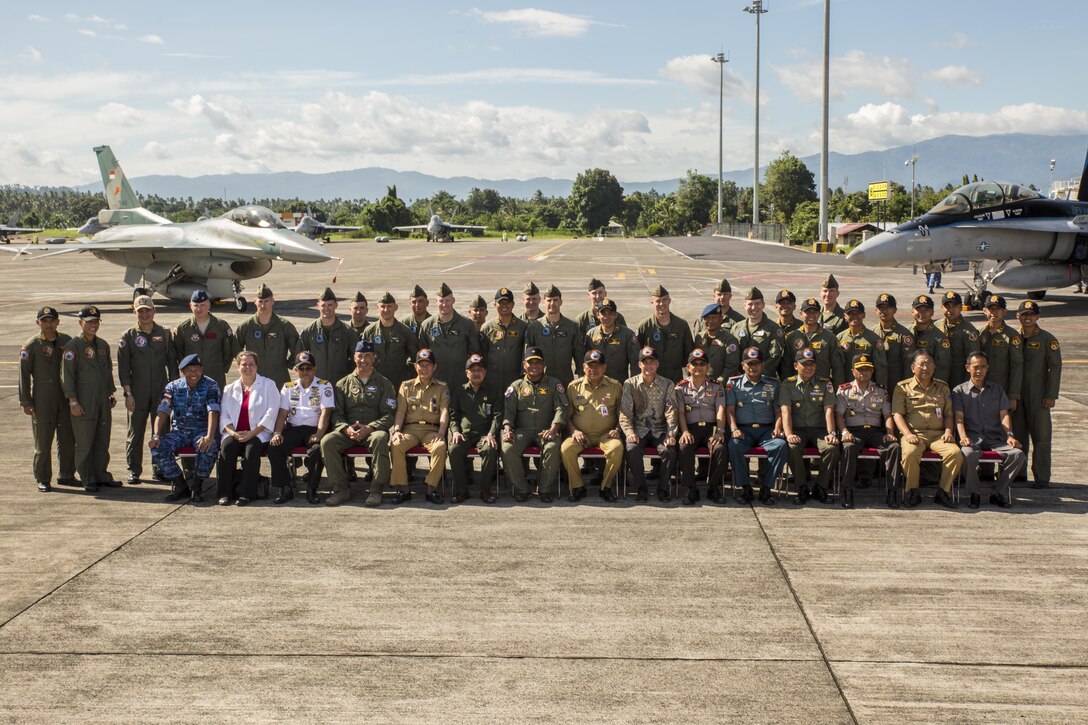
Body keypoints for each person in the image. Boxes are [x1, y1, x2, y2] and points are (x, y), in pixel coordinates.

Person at [319, 339, 397, 506]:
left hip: (373, 429)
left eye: (367, 356)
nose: (363, 360)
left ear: (374, 357)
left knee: (380, 439)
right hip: (349, 431)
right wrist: (345, 429)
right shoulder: (342, 384)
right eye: (360, 356)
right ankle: (341, 490)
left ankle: (376, 490)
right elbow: (337, 414)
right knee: (327, 441)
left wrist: (370, 427)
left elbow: (389, 415)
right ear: (354, 357)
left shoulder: (385, 384)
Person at [953, 351, 1026, 509]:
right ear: (967, 368)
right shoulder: (959, 391)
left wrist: (1010, 436)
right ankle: (974, 493)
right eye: (975, 367)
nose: (979, 370)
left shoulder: (997, 390)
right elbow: (958, 418)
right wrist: (963, 437)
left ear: (988, 368)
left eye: (983, 367)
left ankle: (998, 492)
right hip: (973, 439)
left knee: (1018, 455)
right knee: (967, 454)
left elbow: (1004, 415)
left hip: (995, 439)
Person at [891, 349, 963, 509]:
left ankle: (943, 492)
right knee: (910, 453)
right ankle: (912, 491)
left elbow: (949, 415)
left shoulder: (942, 387)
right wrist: (907, 434)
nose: (926, 368)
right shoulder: (902, 387)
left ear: (935, 367)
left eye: (930, 364)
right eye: (922, 364)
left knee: (955, 453)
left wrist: (949, 432)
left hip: (938, 435)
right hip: (914, 434)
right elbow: (897, 414)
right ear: (912, 367)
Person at [117, 295, 176, 485]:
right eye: (140, 310)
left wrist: (173, 392)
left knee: (161, 432)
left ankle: (160, 468)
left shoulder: (165, 335)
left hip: (161, 392)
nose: (144, 314)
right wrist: (128, 394)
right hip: (138, 393)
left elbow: (172, 365)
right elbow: (124, 368)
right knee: (135, 432)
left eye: (147, 310)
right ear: (134, 312)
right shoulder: (128, 337)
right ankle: (134, 470)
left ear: (154, 311)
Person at [62, 305, 120, 493]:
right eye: (89, 322)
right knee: (85, 442)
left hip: (102, 399)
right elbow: (67, 376)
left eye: (95, 322)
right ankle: (87, 477)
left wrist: (110, 393)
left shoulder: (102, 345)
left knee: (102, 440)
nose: (92, 325)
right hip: (84, 401)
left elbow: (107, 371)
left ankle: (101, 474)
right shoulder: (73, 347)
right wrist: (73, 401)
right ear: (81, 323)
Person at [149, 354, 220, 503]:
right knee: (158, 448)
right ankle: (180, 484)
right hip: (180, 431)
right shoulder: (173, 387)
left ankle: (197, 485)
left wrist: (209, 436)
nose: (193, 374)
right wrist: (156, 435)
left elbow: (213, 410)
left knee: (209, 446)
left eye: (197, 370)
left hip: (202, 430)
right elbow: (162, 411)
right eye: (189, 370)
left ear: (202, 369)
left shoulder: (211, 385)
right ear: (182, 371)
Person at [20, 306, 77, 492]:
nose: (48, 324)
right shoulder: (32, 345)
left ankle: (67, 474)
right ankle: (43, 477)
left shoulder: (67, 341)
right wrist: (26, 401)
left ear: (58, 322)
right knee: (43, 442)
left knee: (67, 439)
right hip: (42, 398)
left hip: (64, 396)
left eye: (51, 320)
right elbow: (24, 375)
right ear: (38, 323)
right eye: (44, 320)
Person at [501, 347, 568, 502]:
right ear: (524, 364)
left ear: (544, 364)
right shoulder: (516, 385)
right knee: (507, 448)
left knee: (552, 447)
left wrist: (554, 429)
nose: (534, 366)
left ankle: (544, 489)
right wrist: (507, 429)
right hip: (522, 430)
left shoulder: (554, 384)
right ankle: (522, 488)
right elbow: (508, 412)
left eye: (538, 362)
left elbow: (561, 408)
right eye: (531, 363)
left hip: (546, 430)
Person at [268, 351, 333, 505]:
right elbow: (282, 414)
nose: (305, 372)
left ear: (315, 369)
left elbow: (326, 412)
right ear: (295, 370)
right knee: (274, 447)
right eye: (301, 369)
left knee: (318, 449)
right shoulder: (288, 387)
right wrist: (277, 433)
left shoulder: (324, 386)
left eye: (308, 368)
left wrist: (319, 433)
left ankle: (312, 488)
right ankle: (285, 488)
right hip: (294, 429)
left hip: (314, 429)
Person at [836, 353, 899, 509]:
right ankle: (847, 491)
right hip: (853, 431)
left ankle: (892, 492)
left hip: (875, 432)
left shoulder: (881, 390)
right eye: (860, 369)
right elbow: (838, 415)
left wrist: (890, 433)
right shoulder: (844, 390)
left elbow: (887, 415)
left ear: (872, 371)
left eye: (867, 369)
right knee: (849, 447)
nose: (864, 372)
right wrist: (844, 432)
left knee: (894, 447)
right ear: (853, 371)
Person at [726, 347, 788, 505]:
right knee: (734, 446)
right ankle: (745, 488)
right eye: (749, 363)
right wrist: (734, 429)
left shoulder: (773, 384)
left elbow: (778, 410)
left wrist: (777, 428)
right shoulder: (733, 384)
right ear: (743, 365)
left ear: (763, 365)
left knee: (781, 446)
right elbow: (730, 410)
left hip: (766, 430)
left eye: (756, 363)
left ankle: (766, 488)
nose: (753, 367)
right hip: (743, 430)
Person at [217, 351, 280, 506]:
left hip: (259, 433)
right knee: (227, 448)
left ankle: (246, 494)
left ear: (256, 366)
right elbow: (224, 414)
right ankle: (225, 493)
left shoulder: (268, 385)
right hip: (235, 432)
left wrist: (253, 433)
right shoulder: (229, 388)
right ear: (238, 367)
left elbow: (272, 412)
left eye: (251, 364)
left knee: (251, 451)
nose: (248, 368)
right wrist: (233, 433)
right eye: (244, 364)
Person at [779, 347, 840, 505]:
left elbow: (829, 411)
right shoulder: (787, 384)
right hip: (798, 430)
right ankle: (802, 488)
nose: (808, 368)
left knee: (832, 448)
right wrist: (789, 434)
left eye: (811, 364)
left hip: (819, 430)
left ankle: (820, 487)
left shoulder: (825, 383)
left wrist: (831, 433)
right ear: (795, 366)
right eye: (804, 364)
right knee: (792, 448)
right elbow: (785, 411)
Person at [561, 350, 624, 502]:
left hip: (606, 435)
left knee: (617, 448)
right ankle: (577, 487)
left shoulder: (615, 386)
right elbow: (567, 415)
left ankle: (606, 487)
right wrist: (574, 431)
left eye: (598, 366)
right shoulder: (573, 387)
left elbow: (623, 413)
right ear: (583, 367)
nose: (593, 369)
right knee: (566, 449)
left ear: (604, 368)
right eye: (590, 365)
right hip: (582, 436)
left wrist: (617, 430)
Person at [619, 346, 679, 502]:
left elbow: (671, 411)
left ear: (657, 364)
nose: (649, 366)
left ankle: (663, 489)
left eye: (652, 362)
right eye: (645, 362)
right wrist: (630, 432)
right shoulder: (630, 384)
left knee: (669, 450)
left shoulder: (667, 384)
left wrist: (671, 434)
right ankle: (641, 489)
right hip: (639, 429)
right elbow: (625, 413)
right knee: (632, 449)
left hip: (660, 429)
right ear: (639, 365)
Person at [390, 349, 450, 505]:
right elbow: (401, 411)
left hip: (431, 430)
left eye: (428, 365)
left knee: (440, 447)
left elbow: (444, 411)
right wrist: (396, 431)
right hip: (409, 430)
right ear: (415, 367)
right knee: (396, 445)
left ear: (434, 367)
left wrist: (441, 433)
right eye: (421, 365)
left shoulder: (442, 387)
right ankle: (404, 489)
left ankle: (431, 488)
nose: (424, 368)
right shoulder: (406, 386)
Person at [1013, 300, 1062, 488]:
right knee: (1018, 436)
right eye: (1024, 314)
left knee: (1041, 437)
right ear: (1018, 316)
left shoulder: (1047, 339)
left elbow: (1055, 368)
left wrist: (1051, 394)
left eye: (1031, 314)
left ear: (1037, 316)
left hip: (1039, 394)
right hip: (1016, 394)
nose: (1027, 318)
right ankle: (1018, 474)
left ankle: (1042, 477)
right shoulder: (1013, 337)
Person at [675, 349, 727, 504]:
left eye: (702, 364)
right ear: (688, 367)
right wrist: (684, 431)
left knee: (720, 449)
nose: (698, 367)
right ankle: (691, 488)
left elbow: (720, 410)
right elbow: (681, 412)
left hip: (711, 428)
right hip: (691, 428)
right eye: (694, 364)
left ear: (708, 367)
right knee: (684, 447)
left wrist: (720, 431)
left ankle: (713, 487)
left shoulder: (717, 386)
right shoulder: (680, 388)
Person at [448, 354, 501, 503]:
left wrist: (491, 434)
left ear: (485, 372)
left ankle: (485, 490)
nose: (476, 373)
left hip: (484, 435)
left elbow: (498, 416)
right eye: (473, 370)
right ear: (467, 373)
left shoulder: (493, 391)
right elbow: (453, 415)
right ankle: (461, 491)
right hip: (463, 435)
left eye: (479, 370)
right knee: (454, 449)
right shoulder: (459, 391)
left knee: (490, 449)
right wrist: (455, 431)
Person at [235, 283, 299, 389]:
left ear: (272, 301)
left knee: (280, 405)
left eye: (266, 301)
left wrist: (287, 364)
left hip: (279, 377)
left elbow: (297, 349)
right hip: (254, 377)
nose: (263, 305)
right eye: (260, 301)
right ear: (255, 301)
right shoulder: (245, 326)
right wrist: (246, 367)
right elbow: (236, 350)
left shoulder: (284, 326)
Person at [172, 290, 240, 390]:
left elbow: (228, 350)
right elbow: (179, 351)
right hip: (192, 377)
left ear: (209, 305)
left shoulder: (221, 326)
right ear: (190, 306)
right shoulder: (183, 328)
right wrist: (187, 369)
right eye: (196, 305)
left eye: (202, 305)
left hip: (216, 375)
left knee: (216, 403)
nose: (199, 309)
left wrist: (222, 368)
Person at [417, 282, 482, 384]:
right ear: (436, 302)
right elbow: (422, 355)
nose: (444, 304)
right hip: (435, 383)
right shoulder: (427, 325)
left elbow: (475, 354)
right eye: (441, 301)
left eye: (447, 300)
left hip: (460, 382)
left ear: (453, 301)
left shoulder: (466, 324)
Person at [296, 287, 359, 385]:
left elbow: (357, 359)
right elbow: (300, 359)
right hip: (316, 385)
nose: (326, 309)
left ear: (336, 305)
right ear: (318, 306)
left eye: (330, 305)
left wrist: (347, 377)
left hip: (340, 385)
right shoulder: (308, 331)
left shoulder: (347, 332)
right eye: (323, 305)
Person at [524, 284, 583, 385]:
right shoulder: (535, 327)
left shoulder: (571, 327)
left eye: (555, 300)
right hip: (541, 381)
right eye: (549, 300)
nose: (552, 303)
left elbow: (579, 354)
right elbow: (527, 355)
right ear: (543, 302)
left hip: (565, 380)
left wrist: (581, 376)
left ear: (561, 302)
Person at [637, 285, 694, 385]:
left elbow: (689, 355)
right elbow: (637, 355)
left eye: (664, 300)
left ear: (669, 301)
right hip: (651, 381)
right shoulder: (645, 326)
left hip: (675, 380)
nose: (662, 303)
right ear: (652, 302)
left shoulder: (681, 325)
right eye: (658, 301)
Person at [362, 291, 419, 390]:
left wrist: (407, 375)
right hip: (376, 382)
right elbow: (362, 358)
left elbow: (415, 358)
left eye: (389, 306)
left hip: (399, 383)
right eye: (383, 306)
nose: (386, 310)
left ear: (395, 307)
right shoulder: (369, 332)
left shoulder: (405, 332)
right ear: (378, 307)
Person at [480, 287, 529, 400]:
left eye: (507, 302)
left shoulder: (523, 327)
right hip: (492, 380)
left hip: (515, 379)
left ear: (513, 304)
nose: (504, 305)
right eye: (500, 303)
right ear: (494, 305)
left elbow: (525, 353)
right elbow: (482, 354)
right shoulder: (487, 328)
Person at [782, 298, 845, 385]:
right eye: (807, 312)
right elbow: (786, 367)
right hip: (797, 388)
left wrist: (837, 391)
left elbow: (837, 368)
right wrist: (787, 388)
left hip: (822, 388)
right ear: (801, 314)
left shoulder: (829, 337)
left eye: (814, 311)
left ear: (819, 314)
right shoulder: (792, 337)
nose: (811, 315)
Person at [977, 295, 1023, 412]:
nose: (994, 312)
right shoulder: (979, 333)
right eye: (990, 309)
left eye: (997, 309)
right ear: (984, 311)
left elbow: (1016, 366)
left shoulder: (1012, 336)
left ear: (1004, 312)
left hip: (1002, 389)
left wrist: (1013, 396)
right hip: (981, 388)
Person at [731, 287, 785, 377]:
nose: (753, 307)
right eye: (750, 304)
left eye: (757, 303)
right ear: (744, 306)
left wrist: (755, 376)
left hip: (764, 380)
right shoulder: (736, 328)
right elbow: (732, 356)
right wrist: (741, 376)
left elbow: (774, 357)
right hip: (740, 380)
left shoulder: (774, 329)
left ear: (763, 305)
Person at [584, 297, 640, 384]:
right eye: (603, 313)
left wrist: (633, 386)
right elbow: (586, 363)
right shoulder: (591, 335)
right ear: (598, 315)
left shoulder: (627, 335)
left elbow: (635, 363)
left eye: (610, 313)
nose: (607, 317)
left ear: (615, 315)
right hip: (597, 385)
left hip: (619, 385)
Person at [837, 299, 888, 390]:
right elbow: (837, 367)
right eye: (851, 313)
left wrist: (880, 390)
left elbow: (881, 368)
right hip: (845, 388)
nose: (854, 316)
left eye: (858, 313)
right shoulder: (839, 338)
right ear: (845, 316)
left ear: (864, 315)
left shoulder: (873, 339)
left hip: (868, 388)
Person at [937, 291, 979, 389]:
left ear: (960, 308)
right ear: (942, 308)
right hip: (938, 379)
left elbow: (973, 361)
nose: (950, 310)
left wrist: (968, 386)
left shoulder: (969, 331)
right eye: (947, 306)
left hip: (959, 380)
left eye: (954, 306)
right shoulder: (936, 326)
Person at [908, 294, 952, 384]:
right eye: (918, 309)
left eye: (926, 310)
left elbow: (942, 368)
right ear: (912, 311)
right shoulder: (906, 333)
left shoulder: (940, 338)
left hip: (929, 387)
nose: (922, 313)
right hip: (907, 386)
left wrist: (936, 389)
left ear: (932, 312)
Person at [693, 303, 741, 384]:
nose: (710, 321)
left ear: (721, 318)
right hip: (700, 383)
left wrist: (718, 382)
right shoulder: (699, 337)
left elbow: (732, 366)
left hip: (720, 386)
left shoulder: (729, 340)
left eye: (714, 317)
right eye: (707, 318)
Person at [873, 293, 915, 386]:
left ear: (895, 310)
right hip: (875, 383)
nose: (884, 311)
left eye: (888, 308)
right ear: (876, 310)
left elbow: (908, 365)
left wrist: (905, 386)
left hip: (896, 383)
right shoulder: (872, 332)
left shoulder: (904, 334)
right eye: (881, 308)